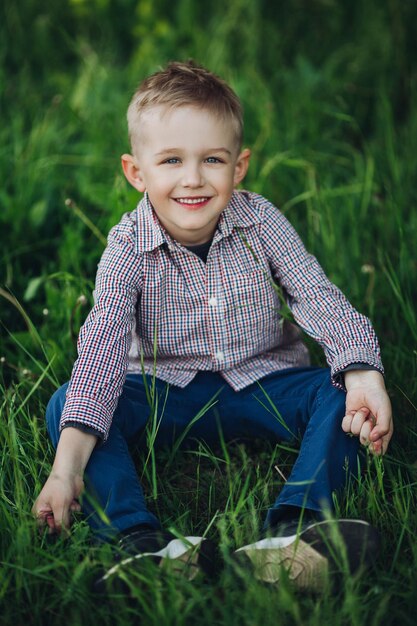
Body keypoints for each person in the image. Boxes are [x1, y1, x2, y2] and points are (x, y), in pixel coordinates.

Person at [32, 61, 393, 591]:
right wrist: (66, 470)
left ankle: (296, 531)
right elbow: (103, 348)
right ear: (137, 172)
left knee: (342, 393)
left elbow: (317, 296)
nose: (193, 178)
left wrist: (364, 374)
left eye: (213, 160)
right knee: (69, 402)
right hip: (165, 394)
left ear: (239, 166)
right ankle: (139, 544)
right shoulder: (128, 245)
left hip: (264, 383)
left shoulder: (260, 221)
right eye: (172, 160)